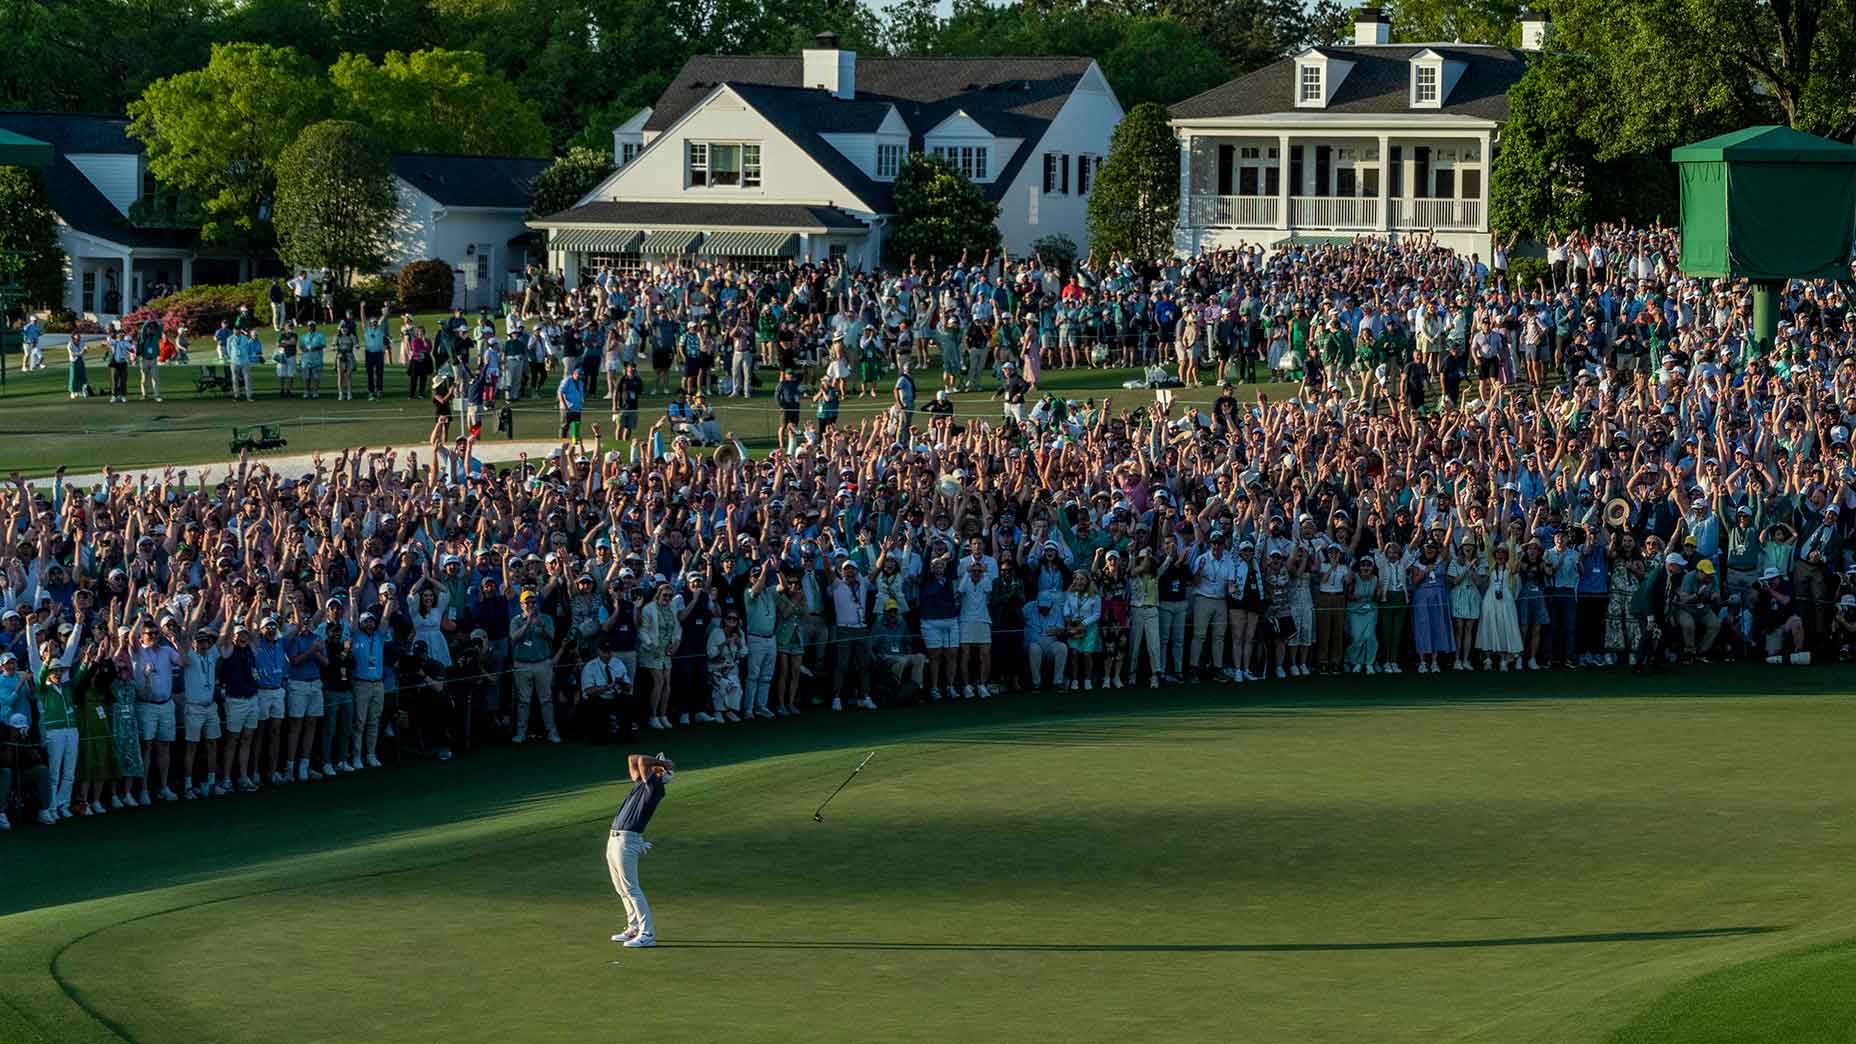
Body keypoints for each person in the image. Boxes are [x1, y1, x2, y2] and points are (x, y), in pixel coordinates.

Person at [608, 752, 675, 948]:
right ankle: (634, 928)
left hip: (627, 840)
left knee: (631, 888)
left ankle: (647, 934)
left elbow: (643, 762)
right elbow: (632, 759)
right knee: (621, 888)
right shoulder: (642, 784)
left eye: (658, 769)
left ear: (662, 774)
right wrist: (661, 763)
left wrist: (663, 763)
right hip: (615, 839)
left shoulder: (655, 788)